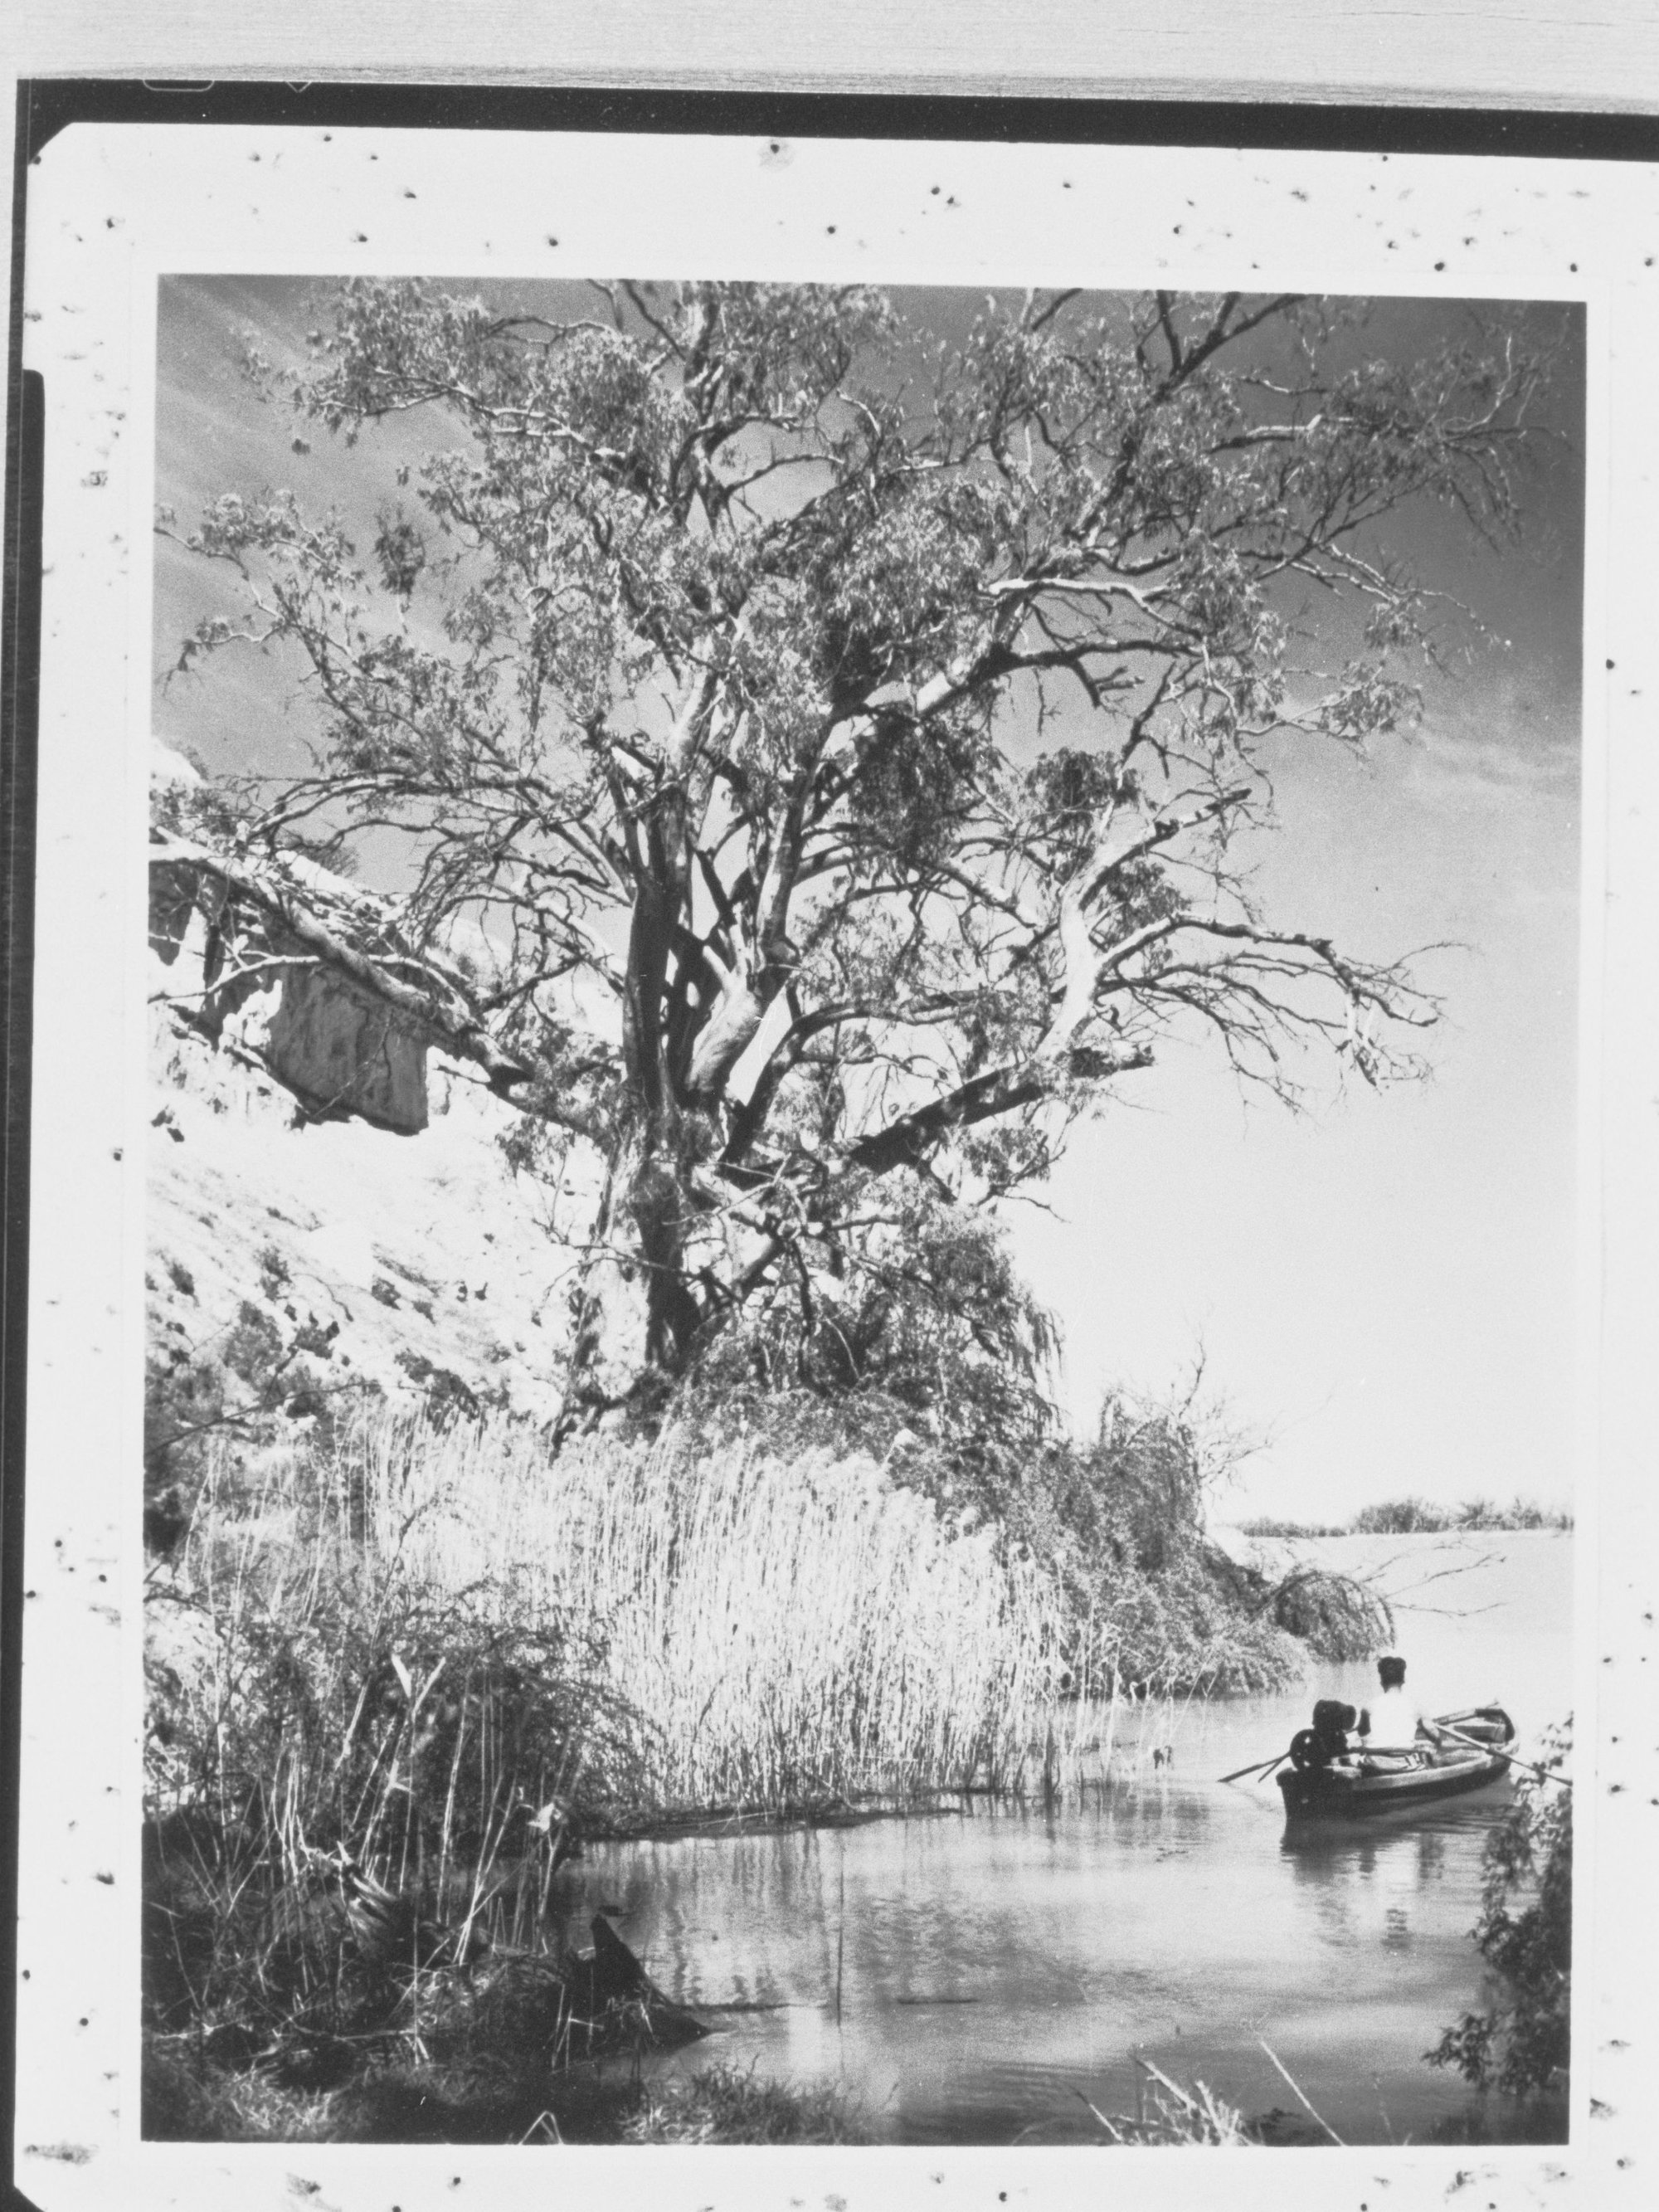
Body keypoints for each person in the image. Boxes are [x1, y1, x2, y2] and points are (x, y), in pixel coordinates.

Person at [1358, 1655, 1447, 1753]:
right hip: (1404, 1763)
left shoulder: (1368, 1707)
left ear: (1382, 1682)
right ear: (1403, 1681)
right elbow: (1434, 1734)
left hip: (1375, 1762)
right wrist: (1439, 1744)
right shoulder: (1417, 1707)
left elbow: (1362, 1733)